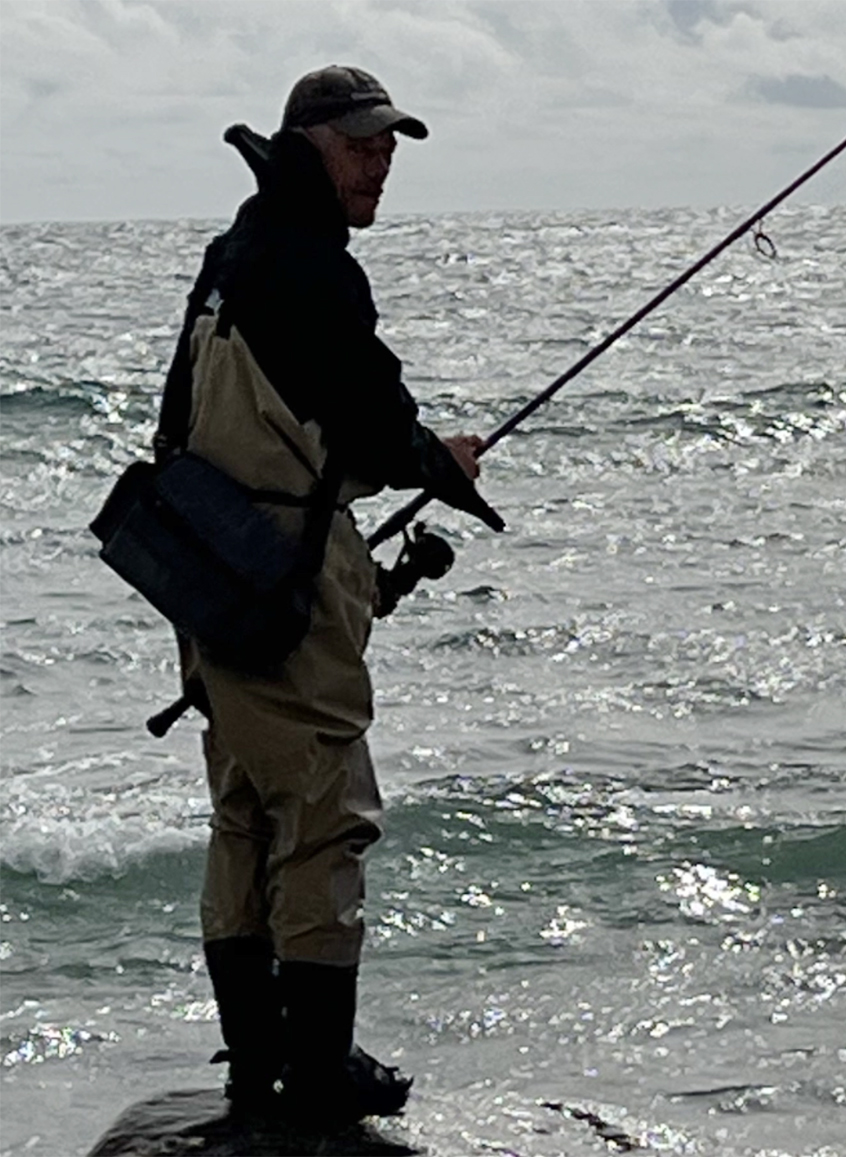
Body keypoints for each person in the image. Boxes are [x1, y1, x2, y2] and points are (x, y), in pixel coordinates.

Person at [154, 66, 504, 1125]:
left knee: (244, 813)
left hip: (209, 569)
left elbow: (184, 420)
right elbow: (366, 420)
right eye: (361, 145)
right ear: (306, 143)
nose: (380, 163)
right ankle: (314, 1072)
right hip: (282, 578)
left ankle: (258, 1058)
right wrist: (438, 457)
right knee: (323, 817)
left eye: (390, 146)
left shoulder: (233, 254)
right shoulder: (308, 264)